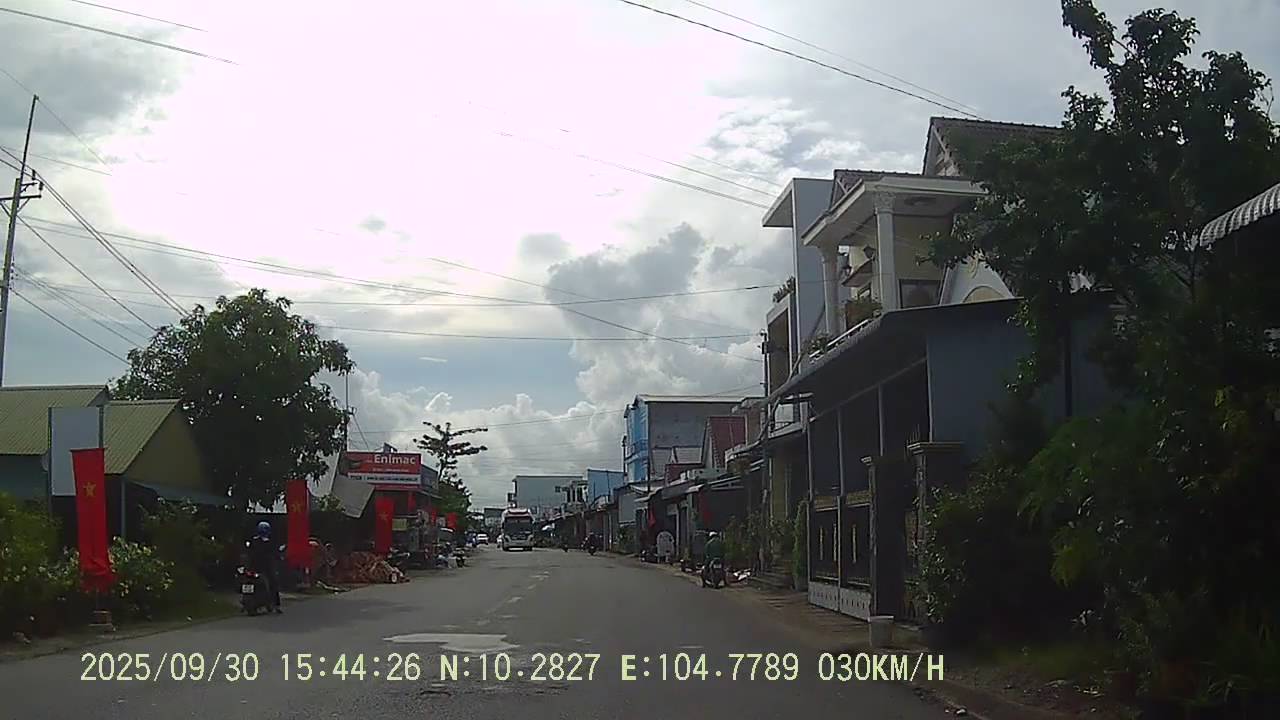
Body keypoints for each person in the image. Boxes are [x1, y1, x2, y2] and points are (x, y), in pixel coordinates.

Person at [247, 521, 283, 613]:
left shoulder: (254, 541)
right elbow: (275, 554)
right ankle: (276, 605)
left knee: (272, 582)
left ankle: (274, 604)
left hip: (254, 567)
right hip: (264, 567)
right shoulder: (269, 542)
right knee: (273, 582)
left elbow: (249, 553)